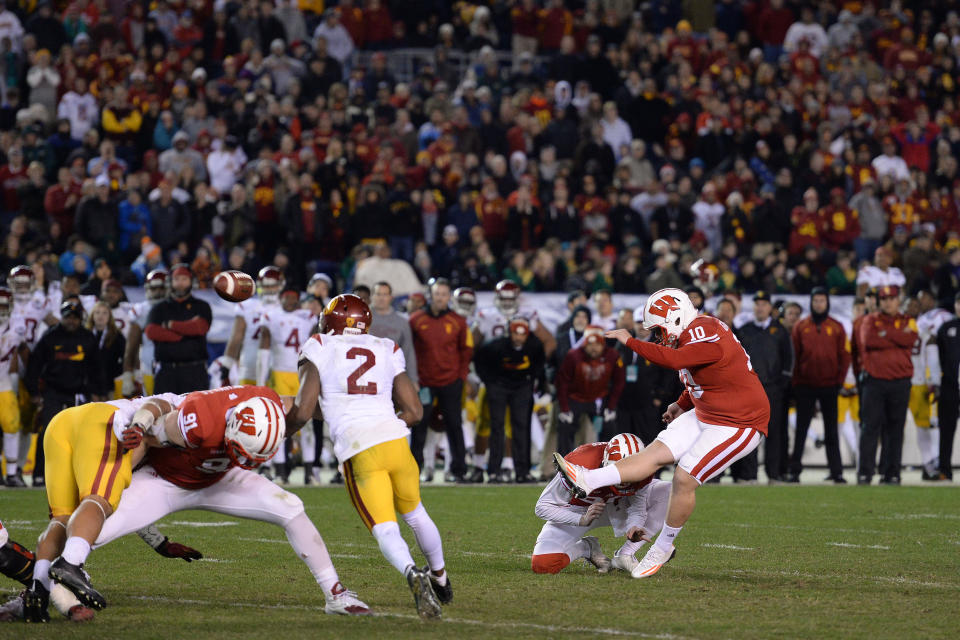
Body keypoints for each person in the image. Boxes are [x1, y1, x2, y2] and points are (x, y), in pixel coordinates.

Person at [93, 385, 371, 617]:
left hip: (220, 477)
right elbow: (139, 455)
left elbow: (307, 406)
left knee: (291, 508)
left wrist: (353, 422)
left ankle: (335, 594)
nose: (250, 460)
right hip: (166, 480)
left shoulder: (272, 405)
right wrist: (155, 539)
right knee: (97, 530)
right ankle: (60, 574)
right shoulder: (195, 417)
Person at [556, 288, 769, 579]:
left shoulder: (706, 329)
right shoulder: (693, 333)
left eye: (658, 329)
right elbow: (703, 378)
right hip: (708, 411)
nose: (658, 337)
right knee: (653, 454)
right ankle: (587, 479)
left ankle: (663, 546)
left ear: (675, 316)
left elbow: (674, 360)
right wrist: (681, 403)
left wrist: (629, 340)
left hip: (739, 422)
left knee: (684, 478)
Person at [286, 294, 451, 619]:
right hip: (395, 441)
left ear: (330, 321)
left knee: (385, 527)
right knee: (416, 513)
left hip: (359, 448)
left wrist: (281, 431)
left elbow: (303, 411)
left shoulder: (319, 344)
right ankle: (441, 578)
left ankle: (412, 573)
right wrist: (382, 422)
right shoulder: (387, 346)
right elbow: (415, 412)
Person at [22, 392, 200, 622]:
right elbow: (129, 495)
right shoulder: (173, 427)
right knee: (99, 502)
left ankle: (37, 590)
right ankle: (70, 567)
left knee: (62, 518)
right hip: (103, 425)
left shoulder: (162, 410)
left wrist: (159, 543)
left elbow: (132, 502)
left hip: (62, 423)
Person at [532, 434, 671, 575]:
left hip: (617, 505)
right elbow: (543, 506)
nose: (623, 482)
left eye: (628, 473)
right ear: (605, 462)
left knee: (670, 491)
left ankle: (626, 554)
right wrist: (581, 519)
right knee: (544, 565)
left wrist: (635, 526)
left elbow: (637, 507)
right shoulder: (581, 462)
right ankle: (586, 548)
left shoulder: (645, 468)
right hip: (578, 510)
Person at [24, 300, 107, 486]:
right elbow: (34, 365)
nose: (71, 321)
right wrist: (34, 392)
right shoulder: (50, 337)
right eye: (68, 317)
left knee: (80, 436)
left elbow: (97, 368)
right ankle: (40, 474)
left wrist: (98, 392)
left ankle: (78, 476)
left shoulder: (88, 338)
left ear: (80, 319)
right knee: (48, 432)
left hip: (79, 393)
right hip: (53, 391)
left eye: (75, 317)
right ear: (62, 317)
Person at [409, 278, 473, 481]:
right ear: (431, 295)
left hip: (450, 382)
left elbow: (466, 350)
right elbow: (408, 350)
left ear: (449, 297)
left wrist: (461, 378)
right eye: (437, 294)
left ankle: (459, 470)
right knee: (419, 425)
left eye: (444, 294)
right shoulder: (416, 319)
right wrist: (413, 377)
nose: (440, 298)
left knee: (454, 426)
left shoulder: (458, 321)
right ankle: (413, 470)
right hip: (424, 382)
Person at [257, 287, 317, 483]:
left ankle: (309, 471)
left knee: (306, 424)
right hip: (280, 374)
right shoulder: (271, 316)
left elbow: (317, 344)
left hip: (302, 374)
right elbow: (264, 348)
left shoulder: (308, 316)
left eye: (294, 297)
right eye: (287, 297)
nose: (290, 300)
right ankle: (280, 470)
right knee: (279, 422)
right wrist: (260, 380)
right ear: (281, 298)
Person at [475, 317, 545, 483]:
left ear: (528, 334)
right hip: (499, 385)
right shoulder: (495, 346)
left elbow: (540, 365)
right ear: (509, 333)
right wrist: (489, 382)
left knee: (522, 427)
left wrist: (533, 380)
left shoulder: (535, 346)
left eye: (522, 334)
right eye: (515, 333)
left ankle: (523, 471)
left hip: (522, 387)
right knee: (497, 426)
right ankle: (494, 471)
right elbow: (479, 360)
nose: (519, 338)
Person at [789, 287, 849, 483]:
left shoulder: (837, 326)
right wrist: (796, 382)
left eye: (822, 300)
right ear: (811, 303)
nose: (819, 304)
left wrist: (839, 381)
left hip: (830, 385)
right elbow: (794, 357)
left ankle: (836, 471)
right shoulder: (801, 326)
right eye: (816, 301)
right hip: (805, 385)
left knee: (832, 430)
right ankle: (794, 471)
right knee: (801, 429)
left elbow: (844, 356)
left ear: (827, 303)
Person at [857, 285, 915, 485]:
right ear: (879, 301)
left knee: (895, 429)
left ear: (898, 300)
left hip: (900, 382)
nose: (887, 302)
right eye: (884, 299)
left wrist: (885, 334)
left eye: (891, 298)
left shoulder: (909, 321)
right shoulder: (870, 320)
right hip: (875, 381)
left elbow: (911, 339)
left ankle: (892, 473)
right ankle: (865, 472)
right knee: (869, 428)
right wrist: (896, 336)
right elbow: (869, 340)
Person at [732, 291, 792, 483]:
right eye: (757, 304)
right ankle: (749, 475)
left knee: (774, 432)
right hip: (750, 391)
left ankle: (773, 474)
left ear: (770, 307)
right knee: (750, 433)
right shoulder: (745, 330)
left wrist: (782, 382)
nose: (760, 307)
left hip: (772, 390)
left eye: (764, 304)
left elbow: (788, 358)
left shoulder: (780, 331)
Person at [554, 325, 625, 454]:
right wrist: (564, 408)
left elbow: (619, 381)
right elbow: (562, 381)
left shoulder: (613, 355)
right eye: (590, 344)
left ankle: (607, 463)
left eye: (597, 344)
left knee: (609, 428)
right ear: (585, 344)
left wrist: (611, 406)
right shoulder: (573, 355)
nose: (594, 348)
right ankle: (563, 464)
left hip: (599, 399)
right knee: (565, 428)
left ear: (603, 344)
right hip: (575, 398)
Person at [145, 263, 212, 393]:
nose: (180, 283)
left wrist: (170, 325)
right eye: (177, 279)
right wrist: (184, 333)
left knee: (196, 412)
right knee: (163, 412)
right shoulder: (159, 308)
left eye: (184, 279)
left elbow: (200, 327)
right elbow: (151, 332)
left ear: (191, 282)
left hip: (195, 371)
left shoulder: (202, 306)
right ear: (171, 282)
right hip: (166, 371)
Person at [212, 266, 283, 388]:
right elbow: (236, 338)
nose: (270, 289)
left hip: (272, 368)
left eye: (273, 286)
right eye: (267, 286)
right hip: (265, 368)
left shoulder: (249, 306)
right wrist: (227, 365)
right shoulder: (286, 308)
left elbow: (236, 338)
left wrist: (226, 366)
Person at [913, 290, 952, 480]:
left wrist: (935, 380)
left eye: (924, 298)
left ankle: (935, 462)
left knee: (935, 423)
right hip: (916, 379)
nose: (921, 303)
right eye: (919, 300)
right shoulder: (914, 322)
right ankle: (929, 463)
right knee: (923, 425)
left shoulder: (943, 316)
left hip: (937, 376)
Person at [122, 268, 167, 398]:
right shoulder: (141, 310)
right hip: (149, 364)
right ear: (147, 289)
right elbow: (132, 345)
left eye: (161, 288)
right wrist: (128, 373)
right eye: (154, 289)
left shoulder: (177, 308)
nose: (158, 292)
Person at [369, 281, 418, 384]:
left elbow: (408, 352)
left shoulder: (402, 322)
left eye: (385, 294)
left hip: (393, 377)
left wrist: (413, 380)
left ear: (391, 297)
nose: (381, 298)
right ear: (372, 296)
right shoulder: (361, 319)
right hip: (366, 375)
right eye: (378, 294)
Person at [935, 292, 960, 481]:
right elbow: (939, 359)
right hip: (950, 386)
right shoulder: (946, 328)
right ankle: (944, 469)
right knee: (946, 429)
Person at [0, 287, 23, 486]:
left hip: (4, 382)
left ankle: (12, 473)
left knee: (12, 426)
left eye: (3, 306)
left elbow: (7, 351)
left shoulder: (17, 325)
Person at [86, 301, 126, 399]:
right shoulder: (84, 334)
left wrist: (116, 371)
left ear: (109, 316)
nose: (101, 316)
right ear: (92, 315)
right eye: (97, 312)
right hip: (88, 383)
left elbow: (126, 356)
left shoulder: (117, 335)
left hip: (109, 382)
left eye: (105, 313)